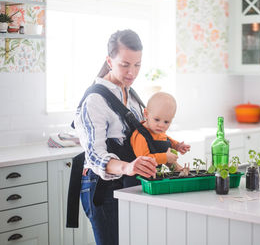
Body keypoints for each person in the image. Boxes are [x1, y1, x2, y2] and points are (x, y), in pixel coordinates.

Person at [72, 29, 157, 245]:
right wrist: (128, 167)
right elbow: (95, 155)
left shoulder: (132, 94)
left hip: (130, 182)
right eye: (125, 65)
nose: (132, 72)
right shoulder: (96, 100)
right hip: (101, 186)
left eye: (137, 65)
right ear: (110, 61)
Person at [130, 92, 191, 167]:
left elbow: (166, 139)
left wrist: (177, 146)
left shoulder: (157, 130)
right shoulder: (140, 136)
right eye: (157, 119)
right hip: (138, 176)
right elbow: (144, 160)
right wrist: (165, 157)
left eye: (166, 122)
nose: (161, 125)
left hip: (154, 174)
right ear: (146, 114)